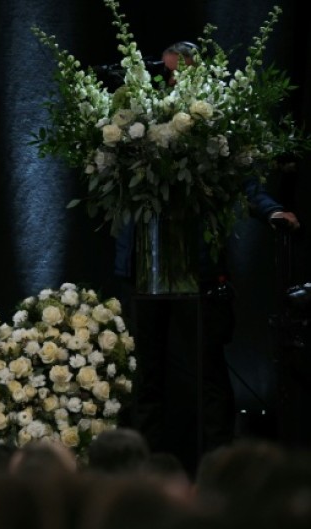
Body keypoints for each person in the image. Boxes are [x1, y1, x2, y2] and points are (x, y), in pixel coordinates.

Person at [115, 41, 301, 474]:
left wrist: (272, 210)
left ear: (200, 76)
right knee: (146, 378)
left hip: (198, 270)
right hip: (144, 267)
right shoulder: (132, 122)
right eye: (168, 73)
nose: (174, 80)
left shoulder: (214, 123)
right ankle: (144, 473)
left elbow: (244, 181)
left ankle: (220, 471)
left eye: (183, 73)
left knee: (209, 374)